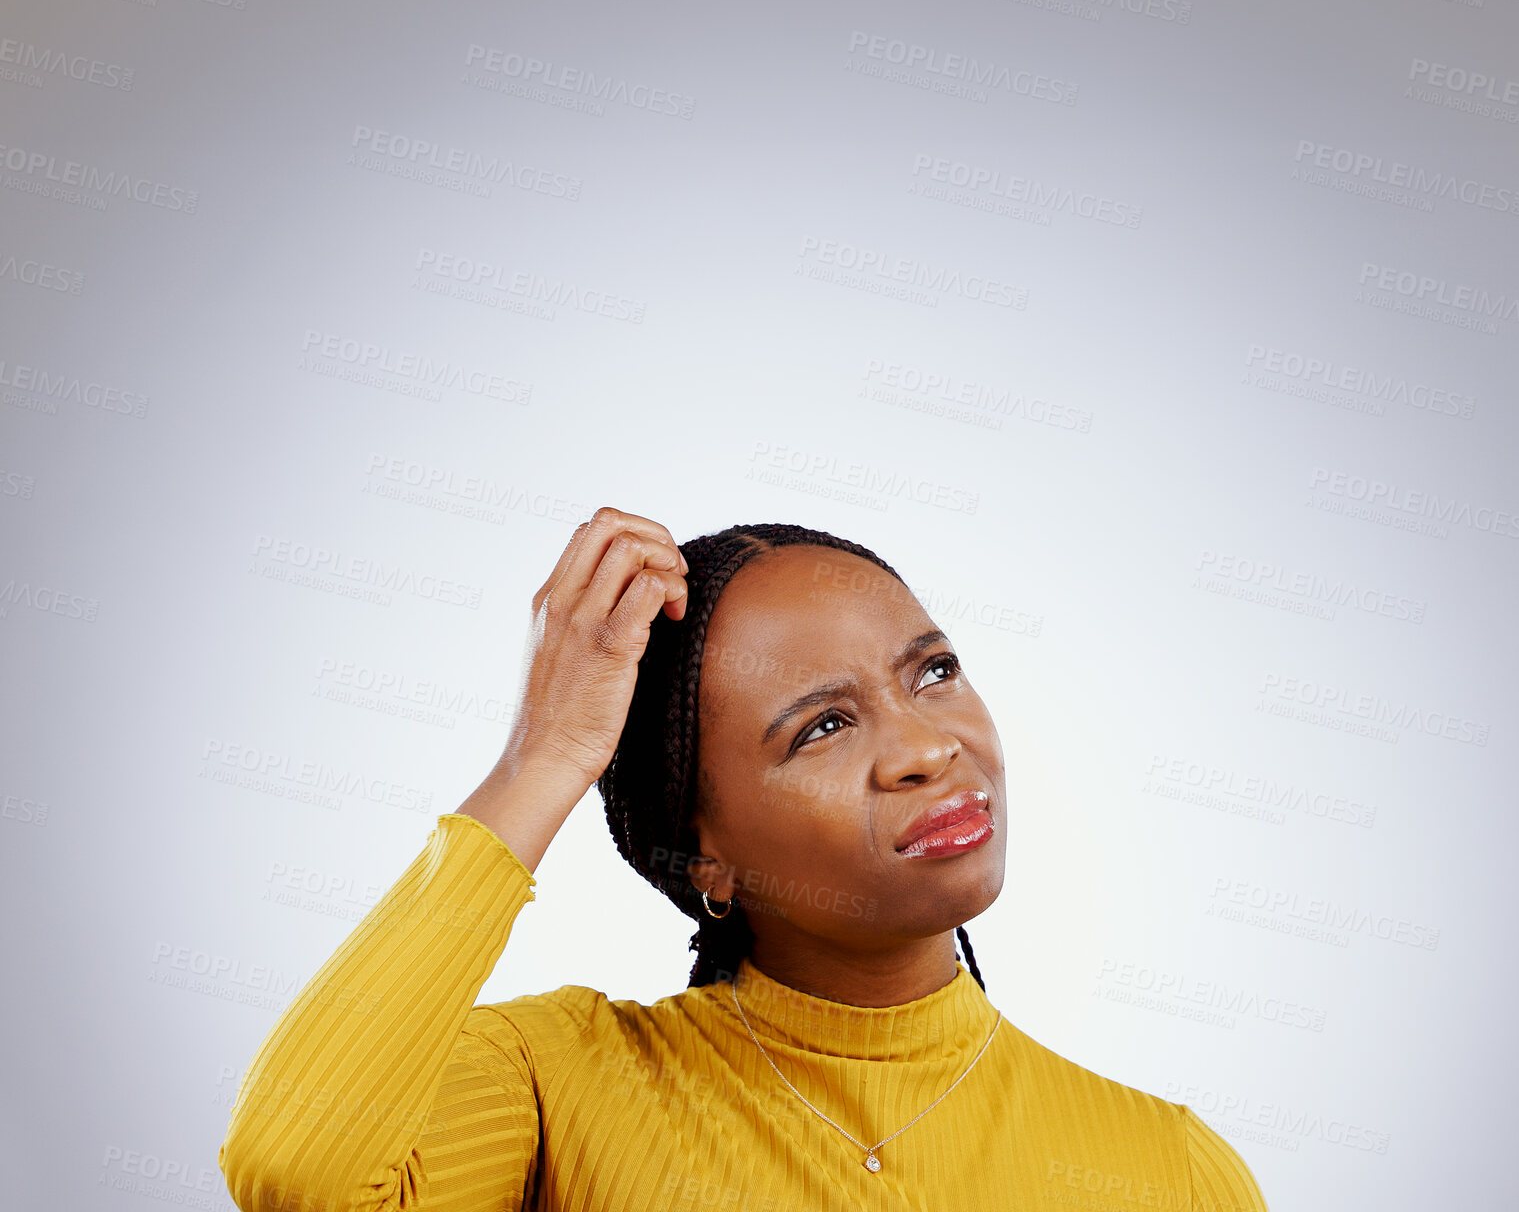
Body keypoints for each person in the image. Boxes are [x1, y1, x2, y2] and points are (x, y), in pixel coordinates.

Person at [218, 507, 1270, 1211]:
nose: (926, 749)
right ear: (705, 858)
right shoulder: (557, 1087)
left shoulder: (1167, 1170)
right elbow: (299, 1169)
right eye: (821, 727)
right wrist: (546, 759)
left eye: (934, 671)